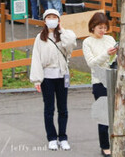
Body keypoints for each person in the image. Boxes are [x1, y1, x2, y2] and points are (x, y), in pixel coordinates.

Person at [30, 8, 76, 151]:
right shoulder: (40, 37)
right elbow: (36, 58)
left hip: (62, 76)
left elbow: (71, 44)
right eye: (49, 17)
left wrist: (62, 30)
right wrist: (37, 80)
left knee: (63, 109)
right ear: (44, 21)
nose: (51, 20)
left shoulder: (64, 35)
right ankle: (51, 137)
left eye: (54, 17)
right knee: (49, 109)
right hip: (47, 78)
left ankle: (63, 137)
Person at [82, 11, 118, 156]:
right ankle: (105, 146)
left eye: (105, 27)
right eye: (100, 28)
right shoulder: (87, 42)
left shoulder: (109, 39)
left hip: (113, 78)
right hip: (99, 82)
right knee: (103, 115)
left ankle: (116, 141)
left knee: (116, 114)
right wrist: (107, 54)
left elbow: (113, 60)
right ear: (93, 27)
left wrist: (115, 54)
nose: (103, 31)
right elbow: (91, 63)